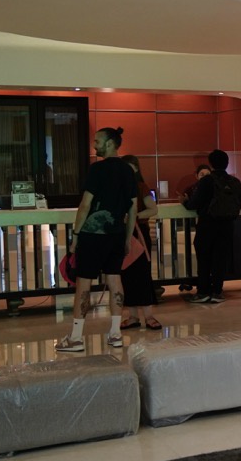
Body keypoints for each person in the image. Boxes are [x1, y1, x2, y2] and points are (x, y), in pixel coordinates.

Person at [55, 127, 138, 353]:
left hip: (93, 235)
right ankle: (115, 334)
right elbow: (133, 208)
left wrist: (75, 235)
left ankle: (76, 338)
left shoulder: (97, 169)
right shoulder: (128, 170)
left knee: (83, 283)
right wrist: (127, 237)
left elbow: (85, 205)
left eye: (97, 141)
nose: (94, 145)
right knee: (115, 279)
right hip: (116, 234)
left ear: (110, 143)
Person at [185, 149, 241, 303]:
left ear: (211, 164)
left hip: (207, 225)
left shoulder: (207, 181)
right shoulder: (235, 182)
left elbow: (194, 204)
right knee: (220, 259)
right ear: (227, 163)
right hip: (227, 226)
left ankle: (203, 292)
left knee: (204, 259)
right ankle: (217, 292)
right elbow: (239, 201)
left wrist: (184, 202)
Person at [119, 154, 162, 331]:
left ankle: (148, 315)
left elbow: (153, 209)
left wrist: (133, 216)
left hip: (138, 234)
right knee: (126, 275)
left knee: (142, 274)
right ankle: (133, 316)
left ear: (136, 169)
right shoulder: (119, 187)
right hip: (124, 234)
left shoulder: (141, 187)